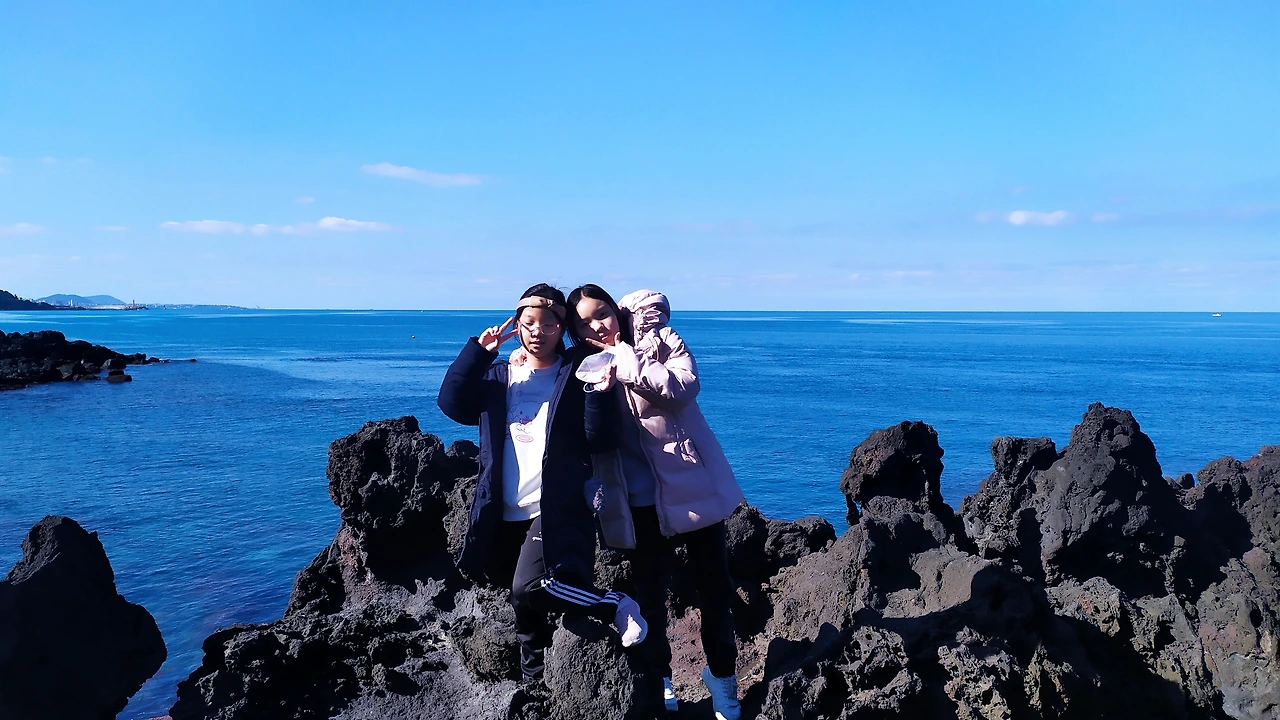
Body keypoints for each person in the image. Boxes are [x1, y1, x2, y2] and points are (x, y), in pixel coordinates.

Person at [437, 283, 648, 683]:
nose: (538, 331)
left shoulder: (575, 373)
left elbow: (600, 439)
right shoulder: (499, 376)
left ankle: (613, 604)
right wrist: (480, 352)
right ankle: (533, 686)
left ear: (561, 329)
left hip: (553, 505)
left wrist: (599, 395)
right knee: (525, 610)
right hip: (504, 507)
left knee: (528, 587)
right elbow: (451, 404)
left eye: (549, 324)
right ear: (517, 325)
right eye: (529, 322)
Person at [567, 284, 745, 720]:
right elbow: (590, 437)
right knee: (650, 600)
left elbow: (683, 387)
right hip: (638, 503)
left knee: (716, 591)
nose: (597, 326)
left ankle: (722, 679)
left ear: (616, 310)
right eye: (584, 323)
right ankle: (660, 677)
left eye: (602, 313)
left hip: (692, 488)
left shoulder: (659, 340)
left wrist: (627, 360)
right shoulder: (583, 368)